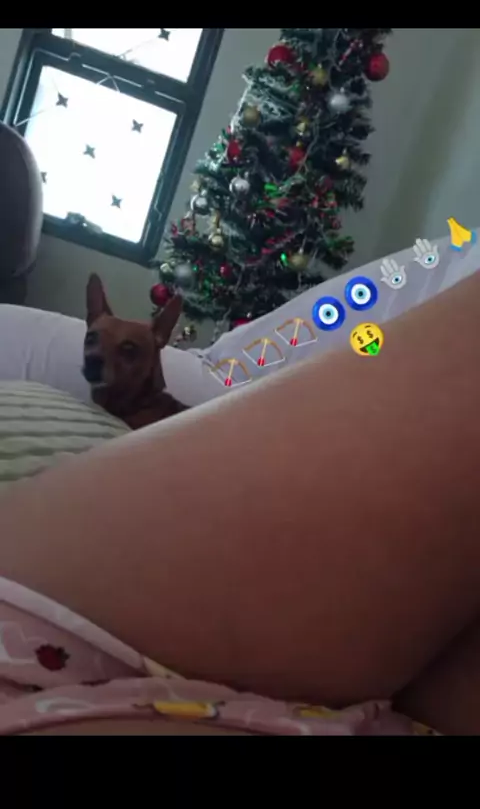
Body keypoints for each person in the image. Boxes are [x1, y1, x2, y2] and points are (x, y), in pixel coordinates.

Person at [0, 270, 480, 735]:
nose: (96, 356)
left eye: (126, 350)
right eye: (93, 342)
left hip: (36, 632)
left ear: (158, 345)